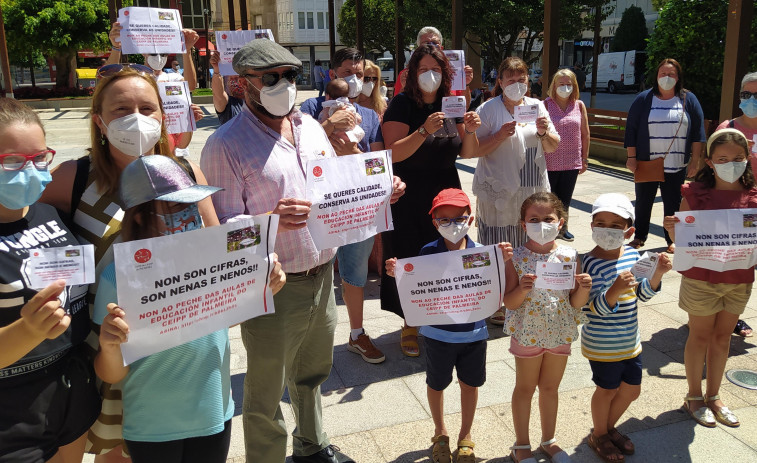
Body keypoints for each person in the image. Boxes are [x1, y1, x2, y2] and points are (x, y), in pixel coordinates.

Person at [200, 38, 404, 463]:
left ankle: (312, 446)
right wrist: (269, 219)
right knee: (266, 391)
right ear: (243, 84)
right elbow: (219, 232)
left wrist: (380, 191)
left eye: (290, 76)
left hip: (322, 273)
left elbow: (336, 185)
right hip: (274, 287)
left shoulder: (310, 127)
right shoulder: (225, 144)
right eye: (271, 77)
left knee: (312, 375)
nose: (284, 84)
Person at [40, 65, 220, 463]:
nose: (135, 118)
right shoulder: (73, 177)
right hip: (104, 347)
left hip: (173, 351)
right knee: (115, 451)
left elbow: (216, 250)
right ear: (100, 122)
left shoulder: (186, 173)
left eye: (147, 107)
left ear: (162, 117)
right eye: (121, 109)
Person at [92, 154, 284, 463]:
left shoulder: (211, 259)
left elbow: (216, 321)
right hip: (152, 426)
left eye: (192, 205)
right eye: (176, 208)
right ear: (140, 216)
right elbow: (110, 373)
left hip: (214, 412)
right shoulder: (117, 278)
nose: (190, 215)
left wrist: (261, 289)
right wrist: (109, 345)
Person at [0, 98, 101, 463]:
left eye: (39, 158)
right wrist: (29, 329)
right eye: (12, 161)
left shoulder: (51, 214)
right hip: (11, 410)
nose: (30, 171)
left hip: (71, 391)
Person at [385, 189, 513, 463]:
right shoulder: (428, 252)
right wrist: (398, 271)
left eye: (459, 218)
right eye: (444, 220)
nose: (453, 225)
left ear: (472, 220)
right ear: (434, 222)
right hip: (437, 335)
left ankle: (465, 436)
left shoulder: (483, 254)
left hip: (474, 334)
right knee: (437, 383)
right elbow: (417, 285)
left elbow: (498, 290)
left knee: (470, 384)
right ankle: (440, 432)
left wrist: (503, 262)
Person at [380, 43, 481, 357]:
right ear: (412, 73)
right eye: (424, 69)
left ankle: (441, 312)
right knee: (410, 255)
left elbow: (466, 152)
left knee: (446, 254)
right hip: (408, 193)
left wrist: (472, 130)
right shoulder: (401, 104)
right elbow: (392, 152)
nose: (430, 75)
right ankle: (410, 322)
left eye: (436, 70)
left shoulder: (452, 104)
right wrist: (423, 130)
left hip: (445, 190)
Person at [663, 129, 757, 430]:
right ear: (710, 161)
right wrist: (673, 230)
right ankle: (694, 396)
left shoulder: (753, 196)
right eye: (724, 159)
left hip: (739, 278)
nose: (732, 164)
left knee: (722, 338)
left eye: (738, 158)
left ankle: (714, 395)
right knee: (700, 335)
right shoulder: (694, 193)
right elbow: (683, 235)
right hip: (701, 279)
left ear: (748, 160)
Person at [300, 48, 387, 364]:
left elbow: (377, 161)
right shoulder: (310, 108)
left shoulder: (368, 116)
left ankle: (357, 333)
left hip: (356, 207)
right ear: (332, 73)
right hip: (321, 208)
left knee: (354, 272)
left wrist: (352, 151)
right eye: (348, 72)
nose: (355, 79)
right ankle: (308, 339)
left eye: (360, 74)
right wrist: (328, 125)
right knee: (314, 271)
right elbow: (298, 154)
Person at [469, 56, 559, 325]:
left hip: (531, 189)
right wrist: (498, 136)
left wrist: (544, 134)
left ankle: (525, 296)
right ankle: (496, 301)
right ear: (500, 82)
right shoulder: (488, 109)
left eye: (522, 80)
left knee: (529, 243)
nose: (517, 84)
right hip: (499, 192)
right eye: (511, 80)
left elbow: (553, 146)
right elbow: (474, 150)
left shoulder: (537, 106)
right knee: (500, 246)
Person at [503, 192, 591, 463]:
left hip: (559, 331)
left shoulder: (570, 254)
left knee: (551, 388)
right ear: (523, 224)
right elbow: (509, 302)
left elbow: (575, 302)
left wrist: (584, 289)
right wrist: (522, 289)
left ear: (560, 223)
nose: (541, 223)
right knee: (525, 388)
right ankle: (521, 445)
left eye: (548, 218)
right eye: (534, 219)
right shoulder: (514, 258)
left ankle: (548, 439)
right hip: (528, 333)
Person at [582, 193, 671, 463]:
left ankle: (607, 429)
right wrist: (614, 289)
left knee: (632, 390)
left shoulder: (634, 255)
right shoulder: (584, 262)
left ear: (629, 231)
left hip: (631, 340)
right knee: (606, 389)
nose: (606, 230)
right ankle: (599, 434)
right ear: (592, 226)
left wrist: (657, 275)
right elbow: (589, 309)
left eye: (615, 226)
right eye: (601, 223)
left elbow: (641, 295)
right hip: (601, 343)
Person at [624, 58, 705, 254]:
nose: (666, 78)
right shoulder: (644, 99)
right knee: (643, 201)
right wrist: (631, 157)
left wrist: (695, 160)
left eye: (671, 74)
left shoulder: (688, 99)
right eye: (663, 74)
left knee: (673, 204)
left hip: (676, 164)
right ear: (656, 76)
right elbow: (631, 129)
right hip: (647, 162)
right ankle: (640, 236)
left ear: (678, 78)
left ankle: (672, 238)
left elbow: (698, 133)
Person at [716, 71, 757, 338]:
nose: (751, 99)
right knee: (734, 262)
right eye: (746, 94)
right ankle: (731, 317)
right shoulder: (728, 128)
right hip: (733, 208)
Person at [544, 69, 590, 242]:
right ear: (554, 85)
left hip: (572, 162)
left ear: (574, 86)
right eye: (561, 84)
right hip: (550, 160)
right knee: (549, 199)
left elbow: (585, 134)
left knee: (565, 199)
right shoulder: (546, 105)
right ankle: (549, 228)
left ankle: (563, 228)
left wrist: (584, 158)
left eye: (568, 84)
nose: (565, 87)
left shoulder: (579, 105)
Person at [106, 22, 197, 90]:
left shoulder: (172, 78)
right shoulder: (133, 78)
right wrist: (116, 47)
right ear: (143, 52)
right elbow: (108, 81)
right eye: (153, 53)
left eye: (163, 54)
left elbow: (190, 86)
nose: (158, 57)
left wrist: (187, 50)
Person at [394, 26, 473, 104]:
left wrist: (465, 84)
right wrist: (404, 87)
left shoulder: (454, 73)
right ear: (418, 48)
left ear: (441, 48)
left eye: (435, 43)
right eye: (426, 43)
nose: (431, 46)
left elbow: (464, 106)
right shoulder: (406, 74)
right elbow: (397, 108)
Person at [318, 79, 365, 145]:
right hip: (351, 133)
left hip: (335, 134)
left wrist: (322, 122)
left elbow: (324, 120)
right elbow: (357, 118)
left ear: (327, 96)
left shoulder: (328, 106)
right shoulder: (349, 105)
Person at [209, 50, 246, 125]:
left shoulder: (260, 102)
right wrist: (217, 70)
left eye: (240, 77)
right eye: (233, 79)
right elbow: (218, 95)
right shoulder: (229, 105)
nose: (237, 82)